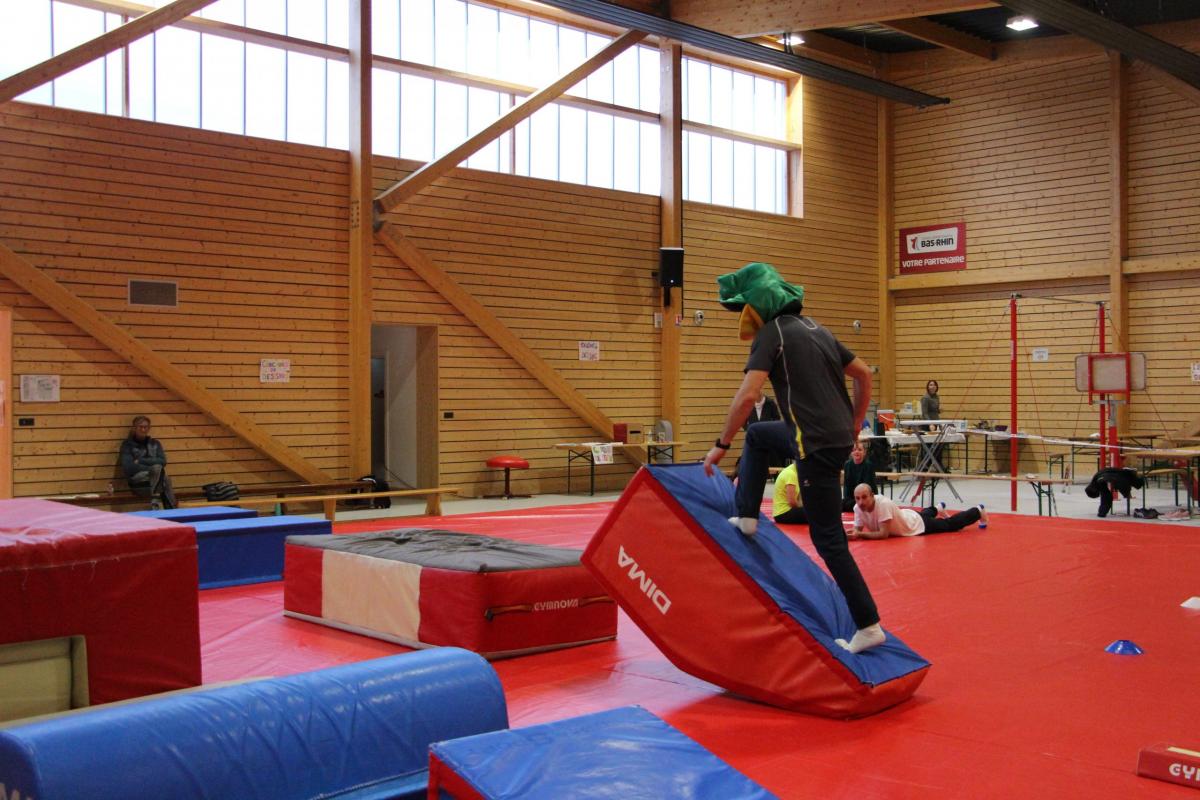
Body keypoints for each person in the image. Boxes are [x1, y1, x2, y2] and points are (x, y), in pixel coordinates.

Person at [702, 261, 883, 654]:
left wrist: (721, 443)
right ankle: (747, 515)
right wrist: (854, 424)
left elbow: (748, 396)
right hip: (832, 437)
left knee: (828, 539)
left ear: (759, 307)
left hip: (815, 445)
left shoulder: (772, 334)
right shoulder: (818, 328)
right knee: (759, 436)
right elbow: (864, 374)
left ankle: (869, 625)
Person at [850, 484, 987, 539]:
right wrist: (848, 535)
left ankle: (977, 511)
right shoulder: (857, 508)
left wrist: (859, 534)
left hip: (917, 526)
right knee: (924, 514)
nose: (861, 502)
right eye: (857, 498)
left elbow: (883, 534)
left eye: (864, 497)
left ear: (872, 495)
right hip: (908, 515)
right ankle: (937, 508)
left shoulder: (883, 504)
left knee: (949, 525)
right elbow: (857, 530)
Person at [119, 415, 177, 510]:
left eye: (145, 427)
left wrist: (141, 461)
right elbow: (128, 467)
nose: (143, 429)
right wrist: (152, 469)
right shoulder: (127, 445)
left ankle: (158, 504)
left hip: (153, 481)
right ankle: (171, 509)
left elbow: (163, 461)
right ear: (134, 428)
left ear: (149, 428)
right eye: (140, 427)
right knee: (162, 475)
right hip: (138, 482)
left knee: (164, 477)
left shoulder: (155, 443)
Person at [842, 439, 876, 512]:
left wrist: (858, 499)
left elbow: (867, 488)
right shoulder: (847, 465)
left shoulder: (868, 465)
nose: (856, 452)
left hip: (865, 497)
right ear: (851, 453)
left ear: (864, 452)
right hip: (853, 499)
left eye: (860, 450)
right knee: (838, 504)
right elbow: (846, 486)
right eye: (854, 450)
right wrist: (847, 500)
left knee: (862, 504)